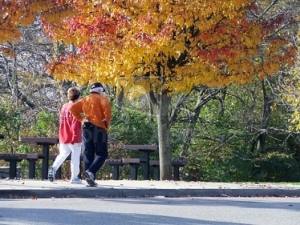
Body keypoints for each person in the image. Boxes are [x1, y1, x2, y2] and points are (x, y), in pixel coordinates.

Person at [69, 82, 111, 187]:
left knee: (88, 153)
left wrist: (82, 119)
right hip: (99, 128)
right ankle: (90, 172)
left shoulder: (85, 99)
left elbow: (72, 109)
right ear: (100, 90)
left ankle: (89, 178)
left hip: (86, 127)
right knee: (102, 154)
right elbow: (108, 113)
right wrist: (105, 124)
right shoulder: (103, 99)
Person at [48, 87, 82, 184]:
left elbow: (62, 122)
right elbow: (76, 124)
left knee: (63, 154)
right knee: (75, 158)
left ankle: (53, 168)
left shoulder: (64, 106)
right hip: (73, 137)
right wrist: (76, 137)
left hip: (63, 135)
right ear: (78, 96)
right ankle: (74, 178)